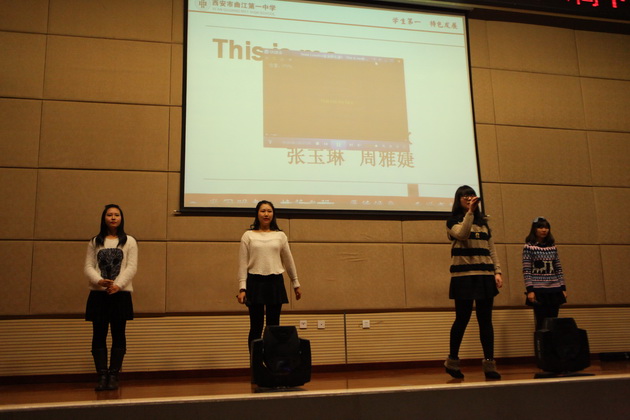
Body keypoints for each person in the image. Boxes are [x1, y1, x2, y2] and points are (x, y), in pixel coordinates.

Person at [444, 185, 503, 380]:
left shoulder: (484, 223)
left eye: (471, 195)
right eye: (465, 196)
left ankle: (489, 365)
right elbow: (462, 234)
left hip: (485, 275)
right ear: (458, 199)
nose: (469, 198)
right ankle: (452, 361)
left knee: (485, 321)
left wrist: (497, 271)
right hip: (463, 277)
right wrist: (470, 212)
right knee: (462, 319)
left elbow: (491, 248)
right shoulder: (453, 221)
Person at [84, 204, 138, 391]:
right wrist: (99, 281)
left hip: (120, 294)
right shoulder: (95, 241)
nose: (113, 218)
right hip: (99, 294)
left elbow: (131, 267)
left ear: (121, 218)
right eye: (109, 215)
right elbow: (88, 266)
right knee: (98, 334)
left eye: (116, 215)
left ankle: (114, 375)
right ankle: (102, 375)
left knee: (118, 334)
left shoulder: (129, 241)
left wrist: (118, 285)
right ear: (104, 218)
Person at [236, 200, 301, 351]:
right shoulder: (248, 235)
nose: (266, 214)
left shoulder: (280, 236)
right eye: (263, 211)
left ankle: (272, 360)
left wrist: (295, 283)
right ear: (257, 214)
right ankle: (255, 361)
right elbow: (242, 263)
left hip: (275, 282)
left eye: (269, 211)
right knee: (256, 326)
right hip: (255, 282)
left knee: (273, 326)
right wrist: (242, 288)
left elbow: (288, 261)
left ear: (273, 214)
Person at [523, 217, 567, 331]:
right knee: (541, 323)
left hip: (554, 289)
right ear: (534, 229)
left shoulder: (552, 247)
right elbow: (527, 270)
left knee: (553, 322)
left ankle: (552, 343)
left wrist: (563, 288)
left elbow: (558, 268)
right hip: (539, 290)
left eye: (546, 227)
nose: (544, 230)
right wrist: (530, 290)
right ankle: (541, 343)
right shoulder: (529, 247)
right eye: (541, 227)